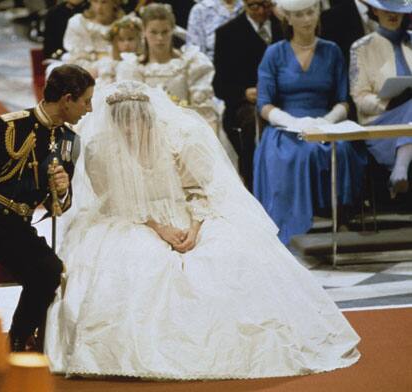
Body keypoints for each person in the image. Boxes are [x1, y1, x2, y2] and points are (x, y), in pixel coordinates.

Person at [44, 80, 360, 379]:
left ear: (149, 117)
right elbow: (113, 202)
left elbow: (202, 190)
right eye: (122, 121)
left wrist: (194, 227)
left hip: (185, 212)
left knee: (226, 258)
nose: (129, 128)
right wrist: (159, 228)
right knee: (136, 264)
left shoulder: (177, 138)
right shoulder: (101, 148)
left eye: (136, 120)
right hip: (130, 219)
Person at [0, 64, 94, 351]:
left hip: (16, 229)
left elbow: (58, 207)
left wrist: (61, 189)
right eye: (86, 101)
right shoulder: (7, 127)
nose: (90, 109)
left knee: (49, 270)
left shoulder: (69, 142)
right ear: (67, 99)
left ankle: (18, 339)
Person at [253, 0, 367, 244]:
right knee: (295, 154)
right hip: (286, 126)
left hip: (324, 121)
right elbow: (263, 103)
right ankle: (290, 225)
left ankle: (341, 217)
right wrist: (293, 121)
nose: (306, 20)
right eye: (300, 15)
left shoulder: (332, 50)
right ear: (289, 19)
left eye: (310, 13)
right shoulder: (274, 53)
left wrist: (325, 121)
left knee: (343, 149)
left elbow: (343, 100)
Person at [117, 4, 225, 142]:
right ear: (144, 31)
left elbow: (204, 111)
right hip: (147, 136)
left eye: (164, 32)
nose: (160, 38)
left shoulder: (190, 63)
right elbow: (130, 114)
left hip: (186, 134)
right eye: (154, 32)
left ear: (172, 30)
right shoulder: (134, 67)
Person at [213, 0, 283, 189]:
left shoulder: (284, 26)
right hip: (245, 106)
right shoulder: (227, 33)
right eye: (254, 6)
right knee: (254, 123)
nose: (261, 11)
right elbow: (219, 86)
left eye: (266, 6)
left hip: (284, 99)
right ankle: (254, 187)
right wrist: (243, 93)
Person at [350, 0, 412, 197]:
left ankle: (400, 170)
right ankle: (400, 167)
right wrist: (387, 103)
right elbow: (359, 98)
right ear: (375, 10)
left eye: (398, 11)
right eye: (387, 10)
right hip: (381, 122)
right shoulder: (361, 47)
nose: (393, 15)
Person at [62, 0, 124, 75]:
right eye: (95, 1)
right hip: (84, 64)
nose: (99, 7)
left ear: (114, 3)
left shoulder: (124, 25)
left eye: (104, 2)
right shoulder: (79, 22)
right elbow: (75, 51)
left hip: (115, 66)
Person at [95, 14, 143, 87]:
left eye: (130, 39)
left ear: (138, 39)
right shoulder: (108, 62)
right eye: (121, 40)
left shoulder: (140, 60)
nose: (126, 43)